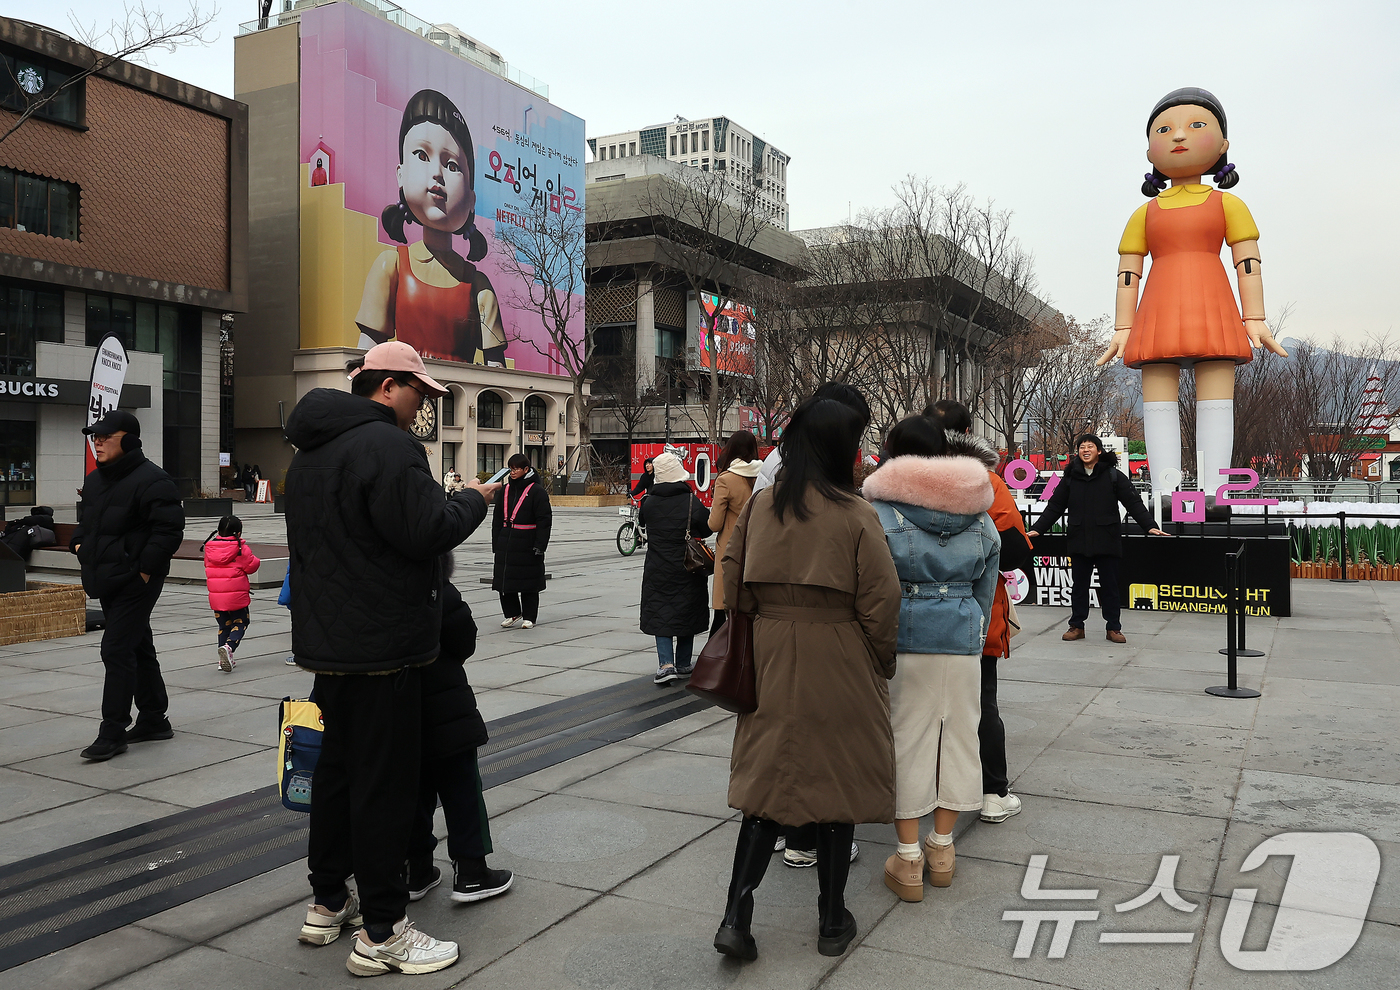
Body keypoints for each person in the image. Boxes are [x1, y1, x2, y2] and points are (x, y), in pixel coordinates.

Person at [284, 341, 500, 977]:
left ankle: (326, 903)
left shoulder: (311, 453)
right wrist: (475, 501)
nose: (424, 407)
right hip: (384, 648)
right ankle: (384, 932)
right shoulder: (387, 446)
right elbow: (426, 532)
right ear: (386, 388)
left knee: (338, 777)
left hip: (332, 648)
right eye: (420, 394)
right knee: (383, 789)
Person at [714, 397, 901, 961]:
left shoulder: (765, 503)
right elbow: (882, 599)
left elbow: (731, 571)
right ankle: (830, 920)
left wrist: (757, 622)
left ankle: (735, 918)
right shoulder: (854, 513)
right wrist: (879, 660)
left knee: (766, 783)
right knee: (836, 781)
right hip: (838, 652)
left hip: (771, 649)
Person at [1098, 87, 1287, 504]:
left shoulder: (1228, 204)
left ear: (1222, 145)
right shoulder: (1143, 214)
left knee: (1217, 395)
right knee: (1158, 398)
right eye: (1164, 129)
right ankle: (1166, 494)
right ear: (1150, 151)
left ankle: (1215, 494)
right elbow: (1128, 272)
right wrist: (1122, 327)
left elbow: (1248, 263)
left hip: (1212, 304)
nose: (1178, 135)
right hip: (1158, 308)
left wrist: (1254, 317)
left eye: (1196, 125)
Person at [864, 415, 1000, 901]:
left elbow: (873, 587)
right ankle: (942, 848)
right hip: (962, 640)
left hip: (906, 640)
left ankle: (907, 858)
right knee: (961, 739)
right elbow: (988, 584)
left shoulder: (880, 512)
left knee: (907, 742)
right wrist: (972, 627)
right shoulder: (978, 510)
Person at [927, 400, 1033, 825]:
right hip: (975, 611)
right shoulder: (987, 482)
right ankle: (992, 793)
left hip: (916, 615)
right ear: (970, 434)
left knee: (924, 707)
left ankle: (930, 790)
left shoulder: (908, 482)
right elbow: (1016, 551)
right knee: (981, 701)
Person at [356, 90, 508, 366]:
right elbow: (368, 353)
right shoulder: (391, 266)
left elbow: (495, 370)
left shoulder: (478, 286)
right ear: (400, 174)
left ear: (472, 199)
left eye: (452, 165)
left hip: (460, 399)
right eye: (422, 155)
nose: (437, 173)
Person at [69, 410, 185, 762]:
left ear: (130, 440)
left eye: (105, 436)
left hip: (137, 580)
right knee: (137, 645)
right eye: (94, 436)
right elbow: (85, 524)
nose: (97, 442)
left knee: (116, 648)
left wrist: (145, 571)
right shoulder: (95, 479)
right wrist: (79, 546)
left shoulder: (154, 480)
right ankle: (153, 719)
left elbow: (168, 530)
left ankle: (113, 731)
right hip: (107, 577)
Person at [407, 553, 514, 904]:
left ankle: (416, 870)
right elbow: (464, 641)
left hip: (401, 711)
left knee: (413, 794)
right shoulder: (441, 592)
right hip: (447, 709)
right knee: (462, 791)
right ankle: (471, 872)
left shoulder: (385, 587)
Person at [1029, 434, 1165, 643]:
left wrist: (1150, 526)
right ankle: (1076, 626)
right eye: (1082, 447)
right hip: (1079, 539)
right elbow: (1055, 506)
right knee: (1079, 586)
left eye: (1090, 447)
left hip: (1107, 539)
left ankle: (1113, 628)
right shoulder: (1071, 477)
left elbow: (1133, 503)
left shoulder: (1113, 475)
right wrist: (1038, 528)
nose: (1085, 450)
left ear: (1099, 451)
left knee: (1110, 586)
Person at [638, 451, 710, 685]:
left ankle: (665, 664)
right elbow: (707, 527)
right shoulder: (691, 501)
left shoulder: (648, 503)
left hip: (658, 568)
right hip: (687, 568)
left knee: (661, 612)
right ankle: (683, 663)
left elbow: (642, 522)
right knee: (686, 612)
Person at [707, 430, 762, 635]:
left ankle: (718, 659)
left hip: (731, 548)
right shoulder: (762, 476)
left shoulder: (726, 479)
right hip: (757, 547)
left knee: (723, 610)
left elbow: (714, 523)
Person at [492, 454, 553, 629]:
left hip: (527, 542)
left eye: (516, 468)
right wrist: (496, 542)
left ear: (526, 469)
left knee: (529, 582)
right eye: (511, 468)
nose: (513, 472)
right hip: (506, 542)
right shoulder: (505, 490)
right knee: (504, 582)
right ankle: (512, 613)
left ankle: (530, 616)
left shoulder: (537, 491)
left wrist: (540, 545)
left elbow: (544, 520)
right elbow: (496, 520)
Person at [201, 515, 261, 673]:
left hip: (216, 596)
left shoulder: (209, 547)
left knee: (223, 626)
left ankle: (222, 661)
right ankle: (229, 647)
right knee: (241, 623)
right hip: (236, 597)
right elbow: (252, 566)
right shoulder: (240, 548)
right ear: (239, 533)